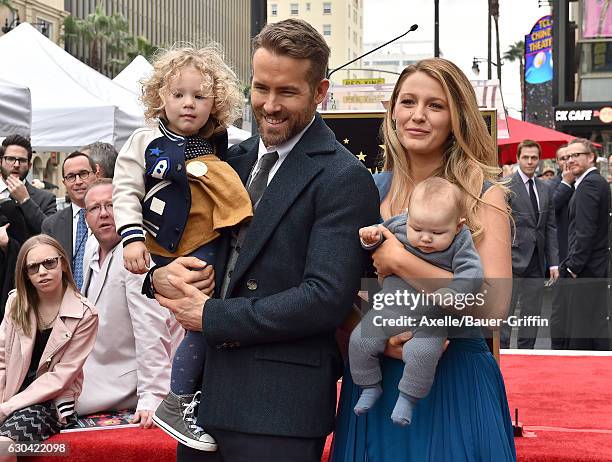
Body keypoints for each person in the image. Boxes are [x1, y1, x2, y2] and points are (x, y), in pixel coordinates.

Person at [148, 18, 379, 462]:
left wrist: (211, 316)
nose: (269, 105)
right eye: (261, 88)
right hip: (201, 405)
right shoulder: (229, 158)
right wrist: (160, 277)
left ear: (320, 92)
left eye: (287, 92)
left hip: (279, 410)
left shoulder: (343, 176)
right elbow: (183, 236)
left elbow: (325, 298)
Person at [331, 58, 516, 462]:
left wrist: (400, 261)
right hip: (374, 378)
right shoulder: (364, 190)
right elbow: (334, 294)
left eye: (435, 105)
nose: (418, 115)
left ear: (457, 117)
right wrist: (374, 332)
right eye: (408, 102)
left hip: (456, 379)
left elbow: (493, 307)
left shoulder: (483, 195)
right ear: (392, 110)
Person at [112, 44, 253, 450]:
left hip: (208, 244)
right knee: (202, 318)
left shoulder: (220, 145)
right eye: (178, 94)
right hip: (162, 246)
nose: (188, 104)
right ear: (160, 97)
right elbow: (124, 192)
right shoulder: (143, 141)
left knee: (207, 318)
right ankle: (177, 400)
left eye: (199, 96)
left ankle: (187, 397)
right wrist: (132, 237)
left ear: (216, 102)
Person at [349, 177, 483, 426]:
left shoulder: (461, 241)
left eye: (437, 232)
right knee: (359, 340)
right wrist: (370, 238)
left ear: (458, 226)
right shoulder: (401, 224)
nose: (425, 238)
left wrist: (455, 292)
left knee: (423, 353)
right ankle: (369, 385)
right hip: (389, 309)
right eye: (418, 229)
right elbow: (380, 239)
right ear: (408, 216)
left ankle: (408, 399)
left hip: (430, 318)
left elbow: (472, 274)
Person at [75, 179, 183, 428]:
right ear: (86, 219)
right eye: (94, 208)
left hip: (125, 385)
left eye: (111, 205)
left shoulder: (135, 253)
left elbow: (151, 329)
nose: (103, 214)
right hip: (95, 372)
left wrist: (152, 395)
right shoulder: (92, 247)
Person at [0, 235, 98, 452]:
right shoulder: (15, 303)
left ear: (63, 263)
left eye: (49, 263)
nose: (42, 272)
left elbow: (61, 378)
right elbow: (1, 359)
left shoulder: (85, 314)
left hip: (50, 402)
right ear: (26, 274)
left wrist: (7, 408)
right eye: (33, 268)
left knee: (2, 447)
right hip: (10, 394)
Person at [501, 139, 558, 349]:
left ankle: (527, 353)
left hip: (537, 260)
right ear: (518, 158)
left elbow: (550, 227)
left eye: (534, 158)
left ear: (539, 161)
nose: (530, 162)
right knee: (505, 312)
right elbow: (500, 223)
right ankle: (504, 354)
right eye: (526, 157)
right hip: (511, 260)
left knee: (532, 313)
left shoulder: (545, 188)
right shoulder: (506, 186)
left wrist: (553, 263)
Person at [559, 138, 610, 350]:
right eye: (568, 156)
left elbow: (585, 231)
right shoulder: (592, 182)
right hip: (594, 269)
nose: (570, 160)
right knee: (593, 329)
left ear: (591, 158)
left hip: (587, 270)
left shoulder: (589, 185)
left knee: (582, 333)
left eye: (576, 155)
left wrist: (573, 267)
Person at [42, 152, 98, 290]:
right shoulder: (51, 225)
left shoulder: (113, 216)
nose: (78, 181)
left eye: (83, 174)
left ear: (96, 174)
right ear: (64, 183)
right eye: (71, 177)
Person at [0, 135, 56, 238]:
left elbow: (51, 234)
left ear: (29, 166)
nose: (16, 164)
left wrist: (26, 201)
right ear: (0, 162)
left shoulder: (46, 199)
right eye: (11, 159)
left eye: (22, 160)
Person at [549, 144, 574, 349]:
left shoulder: (584, 183)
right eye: (563, 158)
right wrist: (565, 184)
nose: (567, 161)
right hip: (560, 253)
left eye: (571, 157)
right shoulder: (552, 185)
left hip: (578, 254)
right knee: (558, 306)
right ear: (557, 162)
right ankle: (557, 347)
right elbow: (552, 208)